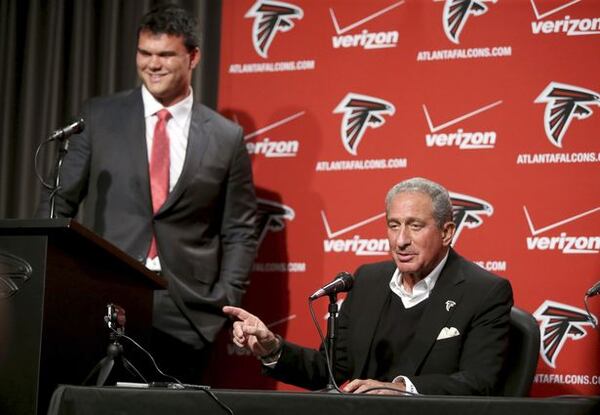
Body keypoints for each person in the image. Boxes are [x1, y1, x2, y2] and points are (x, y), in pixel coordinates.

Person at [38, 5, 257, 383]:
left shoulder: (225, 136)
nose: (153, 65)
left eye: (166, 55)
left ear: (193, 57)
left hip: (188, 312)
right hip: (107, 300)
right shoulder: (100, 116)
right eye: (145, 53)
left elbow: (239, 228)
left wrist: (227, 298)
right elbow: (60, 202)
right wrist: (57, 283)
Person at [224, 177, 513, 395]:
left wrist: (401, 389)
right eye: (393, 225)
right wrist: (273, 349)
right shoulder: (368, 281)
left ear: (447, 232)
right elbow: (329, 370)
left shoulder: (484, 292)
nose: (401, 240)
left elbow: (479, 382)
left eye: (415, 226)